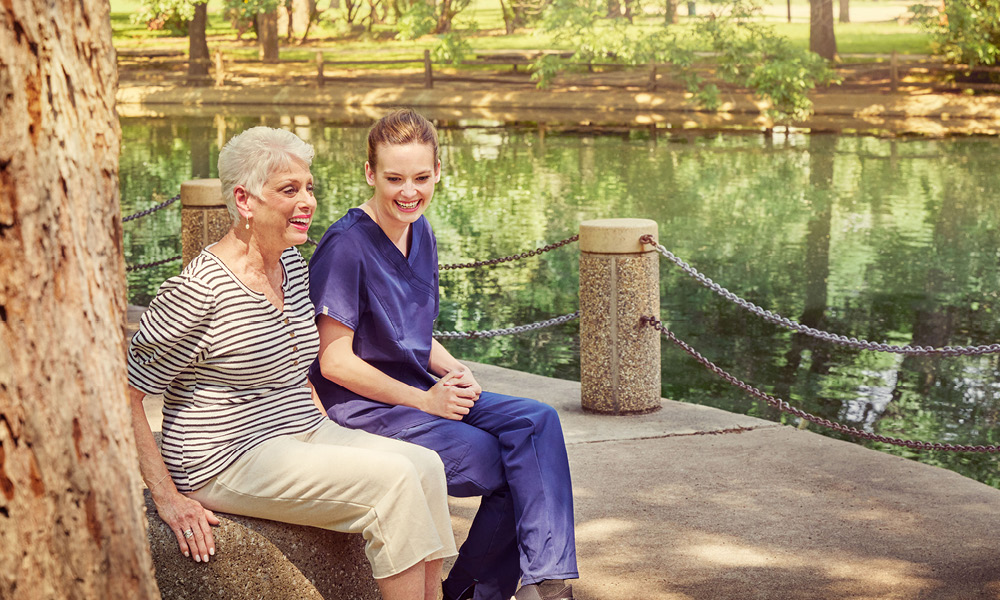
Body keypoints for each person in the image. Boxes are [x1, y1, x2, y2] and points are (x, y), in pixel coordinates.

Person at [127, 126, 456, 600]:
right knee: (395, 484)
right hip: (224, 456)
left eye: (309, 187)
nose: (308, 201)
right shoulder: (200, 291)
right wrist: (167, 498)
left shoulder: (292, 264)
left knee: (425, 467)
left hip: (299, 430)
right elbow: (125, 392)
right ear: (244, 200)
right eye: (289, 190)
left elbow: (296, 365)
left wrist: (330, 432)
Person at [308, 109, 579, 600]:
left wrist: (454, 370)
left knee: (536, 424)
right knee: (501, 461)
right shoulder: (345, 246)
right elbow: (335, 362)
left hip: (421, 389)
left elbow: (409, 332)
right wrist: (426, 401)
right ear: (369, 173)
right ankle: (472, 594)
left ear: (438, 172)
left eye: (421, 177)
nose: (408, 192)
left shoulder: (422, 231)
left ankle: (547, 583)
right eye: (393, 178)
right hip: (366, 408)